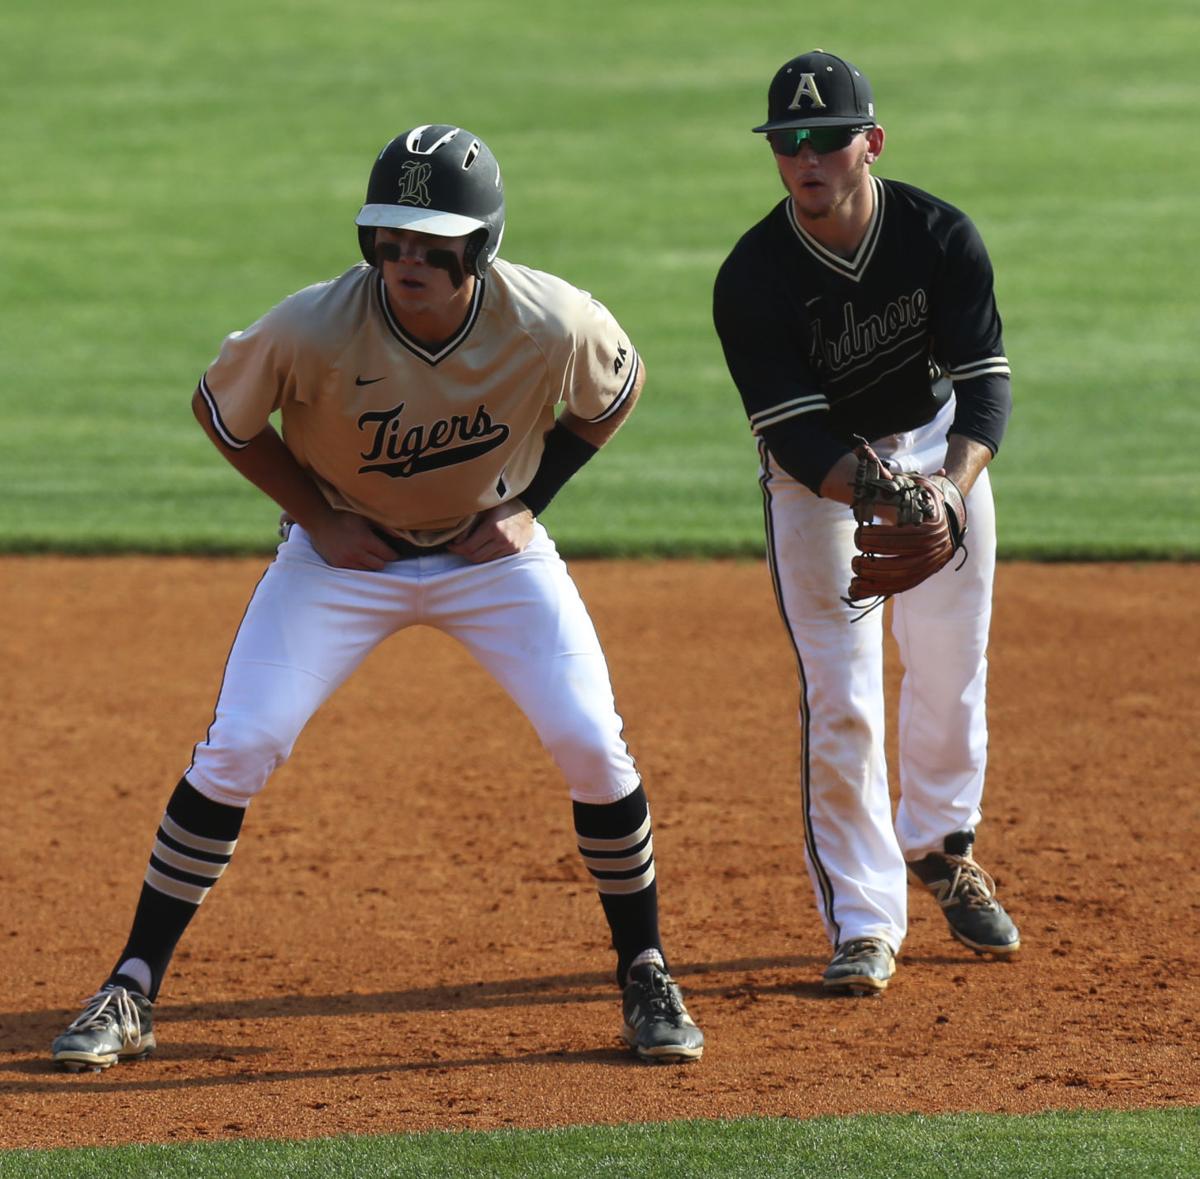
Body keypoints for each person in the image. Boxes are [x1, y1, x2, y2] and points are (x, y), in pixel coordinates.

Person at [51, 124, 703, 1068]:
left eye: (432, 243)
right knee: (240, 744)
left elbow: (613, 392)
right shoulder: (312, 325)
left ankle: (645, 968)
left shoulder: (552, 321)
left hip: (494, 561)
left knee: (592, 744)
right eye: (390, 239)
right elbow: (220, 409)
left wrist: (530, 504)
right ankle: (132, 987)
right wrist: (316, 514)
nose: (407, 260)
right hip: (342, 563)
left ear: (479, 247)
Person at [713, 51, 1020, 994]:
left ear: (870, 144)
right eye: (787, 143)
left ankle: (942, 847)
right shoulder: (753, 276)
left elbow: (984, 388)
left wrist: (947, 491)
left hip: (935, 449)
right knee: (840, 695)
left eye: (826, 140)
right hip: (822, 481)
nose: (805, 158)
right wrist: (885, 496)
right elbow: (796, 435)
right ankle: (864, 920)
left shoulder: (939, 236)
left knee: (948, 662)